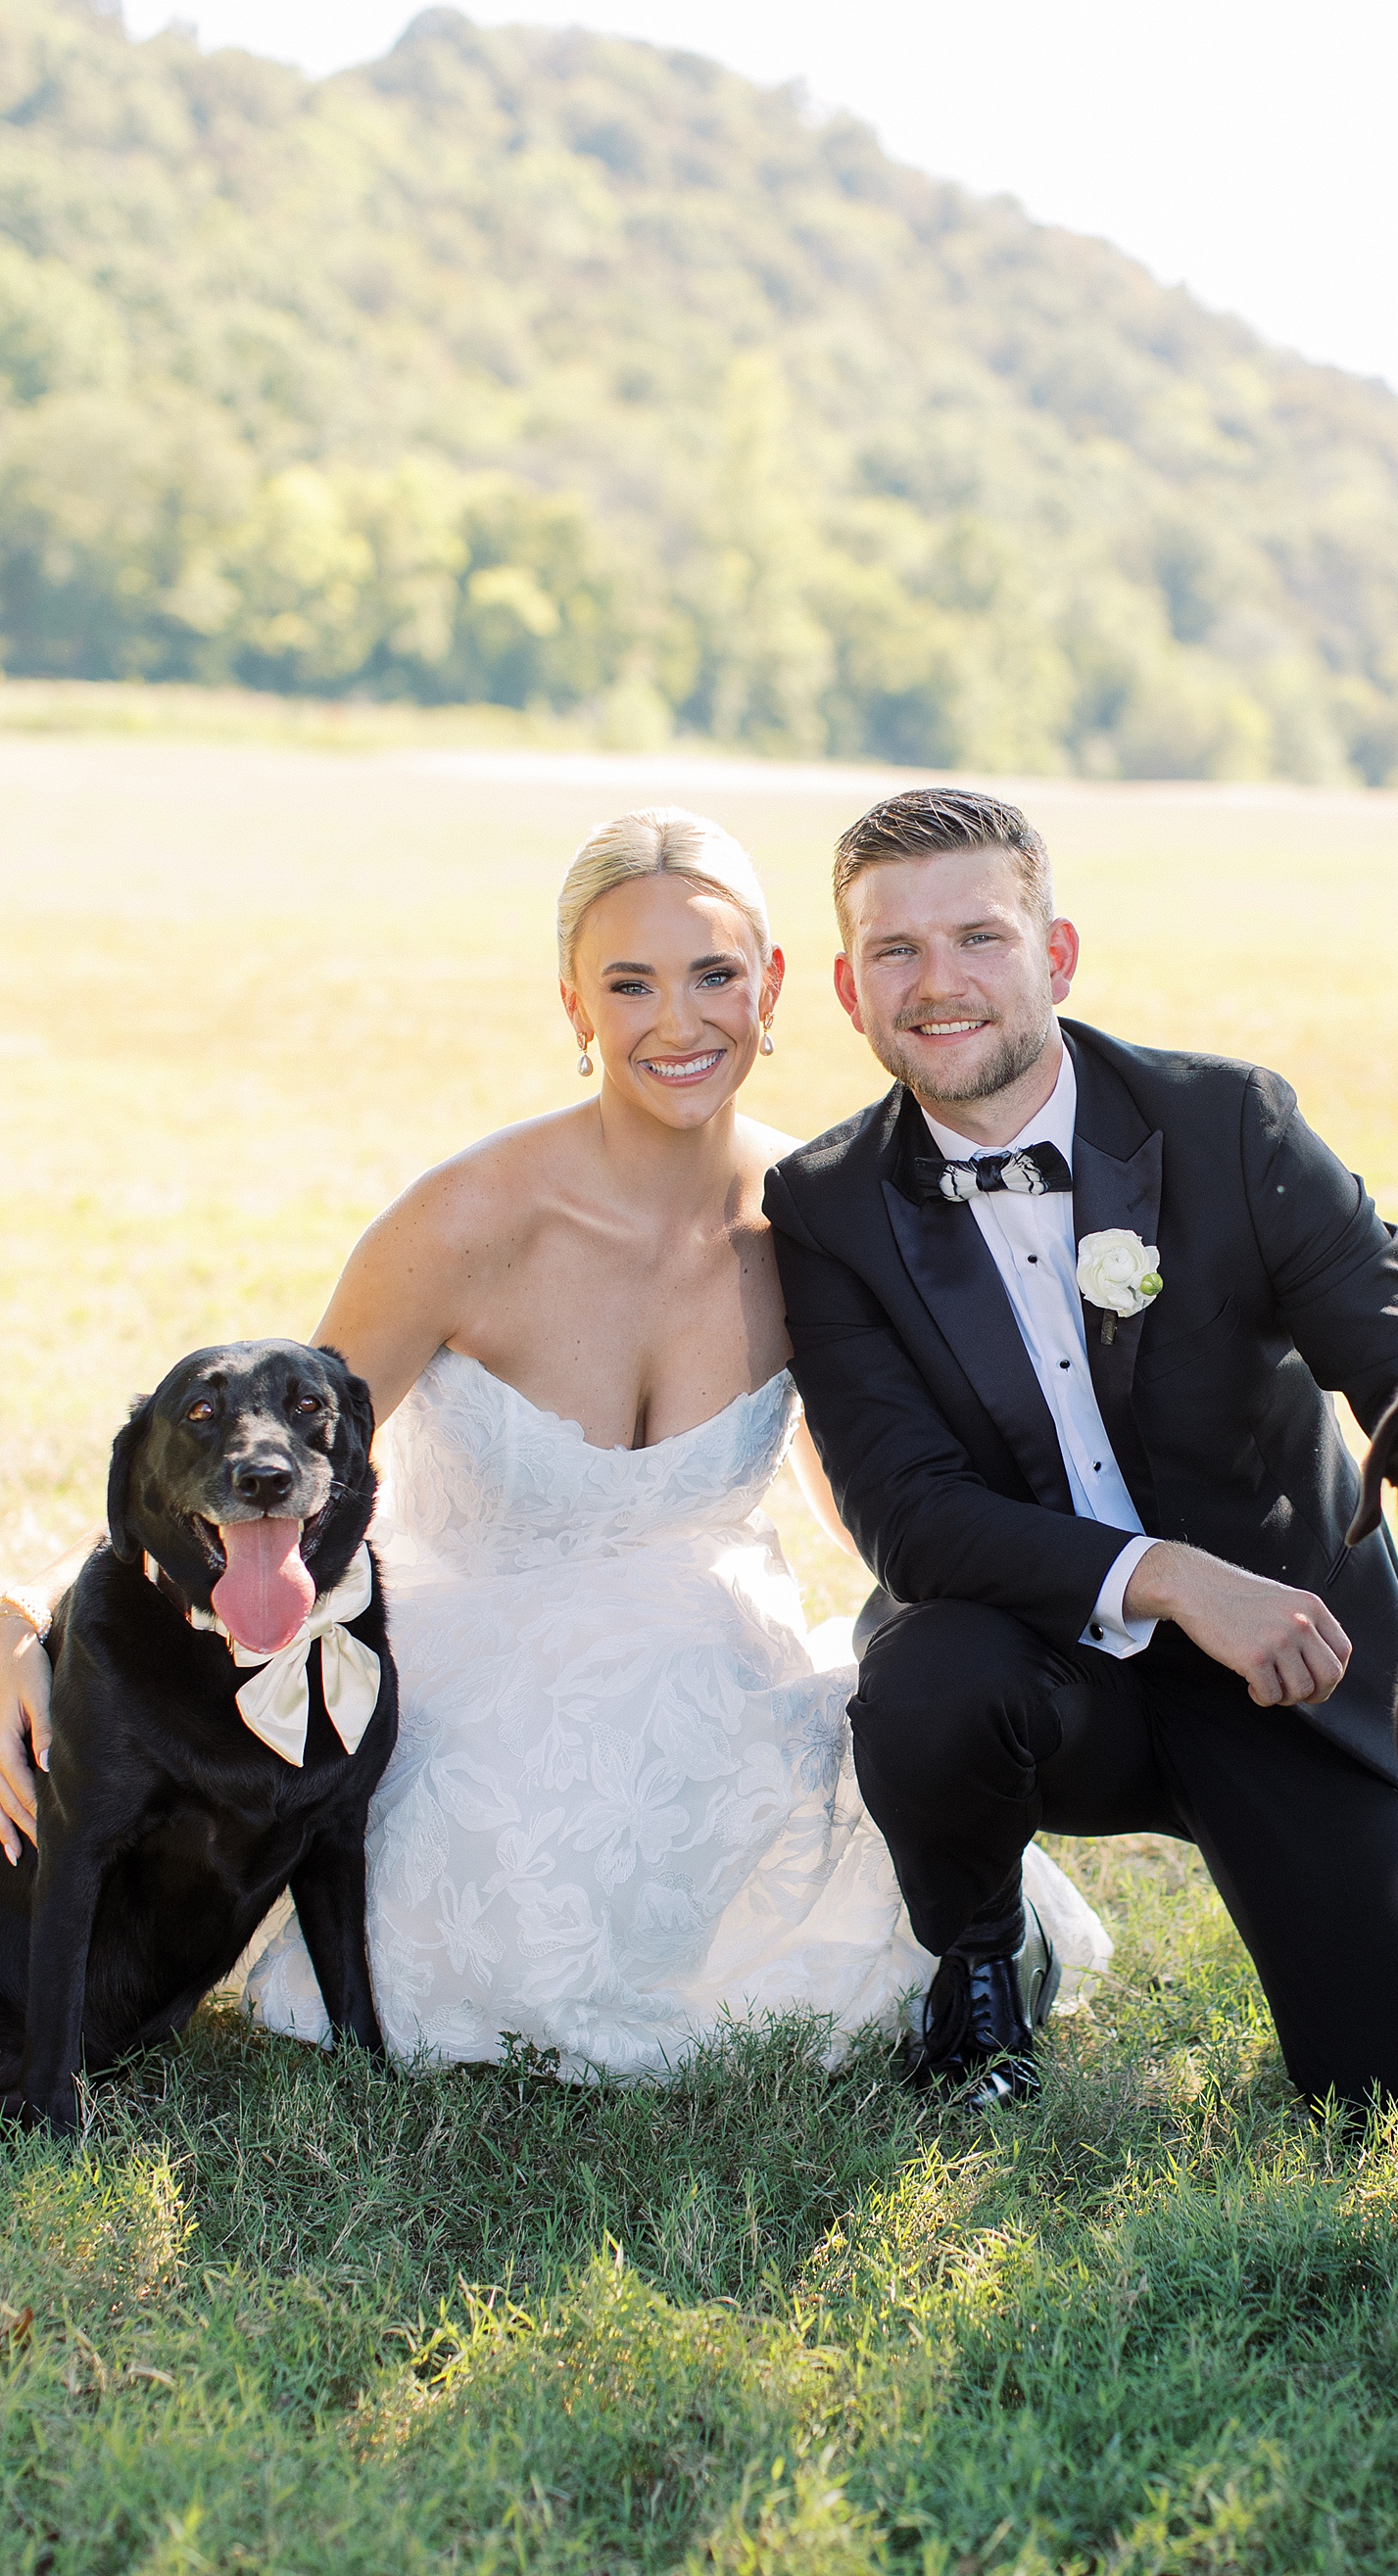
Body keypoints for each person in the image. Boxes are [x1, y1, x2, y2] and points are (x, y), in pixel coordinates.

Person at [0, 807, 1104, 2081]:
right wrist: (23, 1614)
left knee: (867, 1857)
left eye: (713, 975)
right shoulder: (464, 1220)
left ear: (774, 986)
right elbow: (260, 1471)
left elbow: (873, 1505)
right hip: (469, 1691)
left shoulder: (822, 1216)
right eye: (627, 983)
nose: (678, 1022)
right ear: (576, 1006)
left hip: (714, 1681)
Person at [764, 786, 1398, 2122]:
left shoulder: (1229, 1124)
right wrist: (1177, 1578)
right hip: (1038, 1674)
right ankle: (979, 1960)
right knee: (923, 1679)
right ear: (850, 994)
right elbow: (909, 1517)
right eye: (894, 952)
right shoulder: (825, 1205)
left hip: (1289, 1660)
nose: (939, 983)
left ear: (1058, 953)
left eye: (980, 937)